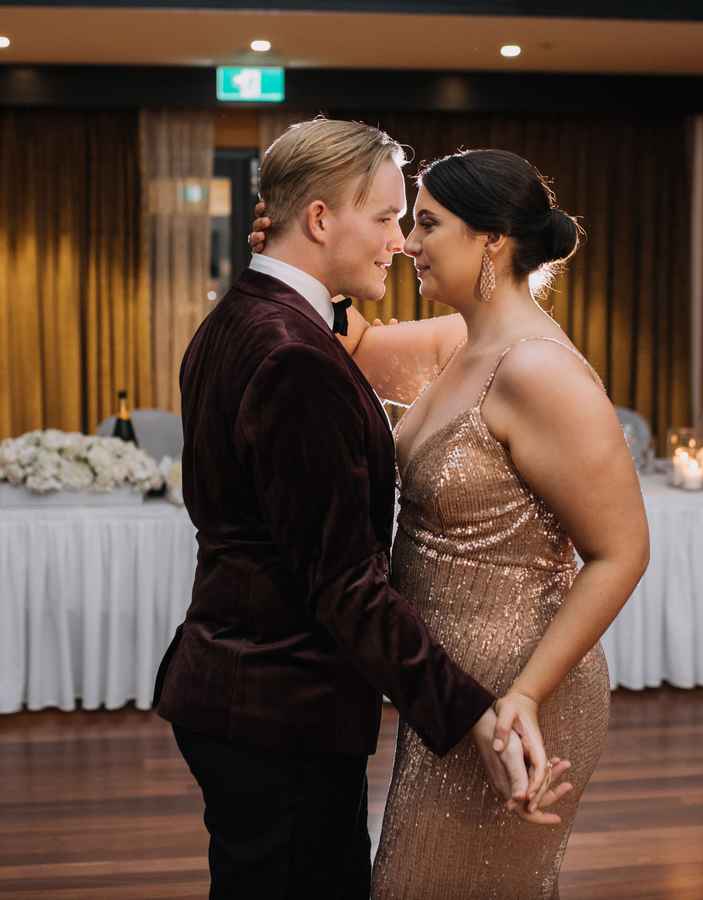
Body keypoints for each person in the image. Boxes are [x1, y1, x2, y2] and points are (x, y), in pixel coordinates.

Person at [153, 120, 568, 900]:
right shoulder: (293, 359)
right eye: (384, 217)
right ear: (318, 220)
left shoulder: (241, 318)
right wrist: (472, 716)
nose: (398, 241)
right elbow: (346, 585)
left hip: (236, 687)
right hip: (278, 708)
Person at [250, 145, 650, 898]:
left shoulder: (537, 370)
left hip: (516, 696)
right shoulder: (456, 340)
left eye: (427, 223)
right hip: (450, 695)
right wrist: (296, 257)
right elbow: (351, 345)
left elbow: (623, 551)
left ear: (490, 239)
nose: (406, 244)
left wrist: (524, 697)